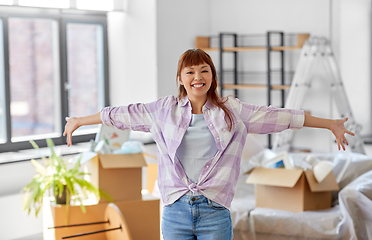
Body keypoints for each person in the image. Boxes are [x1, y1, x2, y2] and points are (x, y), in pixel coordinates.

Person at [63, 49, 354, 240]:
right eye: (190, 72)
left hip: (215, 211)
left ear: (212, 76)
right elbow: (121, 114)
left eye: (204, 70)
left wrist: (329, 124)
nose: (197, 77)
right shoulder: (163, 110)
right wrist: (80, 119)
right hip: (175, 210)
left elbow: (281, 117)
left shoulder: (233, 111)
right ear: (180, 78)